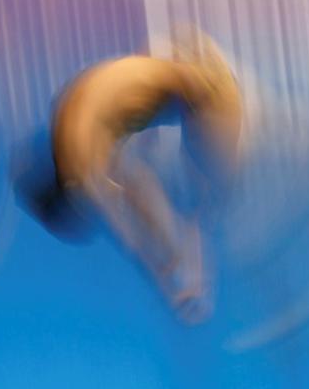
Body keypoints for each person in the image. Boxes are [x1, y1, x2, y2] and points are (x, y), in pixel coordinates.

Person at [14, 27, 243, 325]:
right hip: (178, 50)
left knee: (205, 206)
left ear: (68, 194)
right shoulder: (67, 121)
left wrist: (172, 284)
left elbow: (132, 233)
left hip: (212, 91)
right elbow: (136, 187)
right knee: (147, 182)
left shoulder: (81, 171)